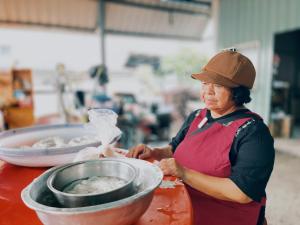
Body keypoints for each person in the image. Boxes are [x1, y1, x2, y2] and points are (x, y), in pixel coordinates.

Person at [127, 49, 275, 225]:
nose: (208, 91)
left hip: (226, 218)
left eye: (218, 85)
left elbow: (242, 193)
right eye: (205, 83)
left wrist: (184, 173)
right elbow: (174, 148)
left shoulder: (254, 132)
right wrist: (154, 152)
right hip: (185, 207)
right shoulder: (198, 116)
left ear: (239, 92)